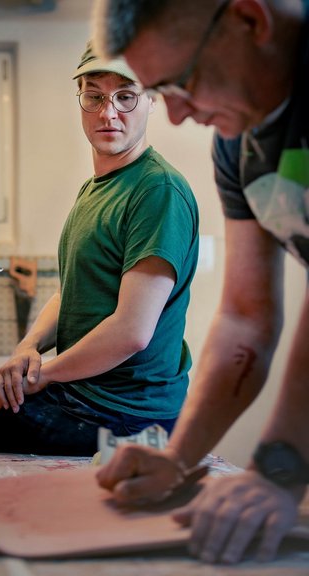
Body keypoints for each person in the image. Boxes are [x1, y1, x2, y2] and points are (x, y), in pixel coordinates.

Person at [92, 0, 309, 564]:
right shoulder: (242, 146)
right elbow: (245, 316)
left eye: (183, 82)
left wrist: (277, 468)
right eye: (164, 93)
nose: (178, 117)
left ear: (249, 19)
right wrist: (177, 457)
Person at [0, 42, 199, 457]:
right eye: (94, 95)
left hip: (122, 417)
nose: (107, 112)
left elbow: (131, 331)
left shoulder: (158, 190)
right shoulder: (95, 190)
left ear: (150, 98)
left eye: (125, 96)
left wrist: (43, 374)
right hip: (81, 395)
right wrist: (28, 348)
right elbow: (71, 292)